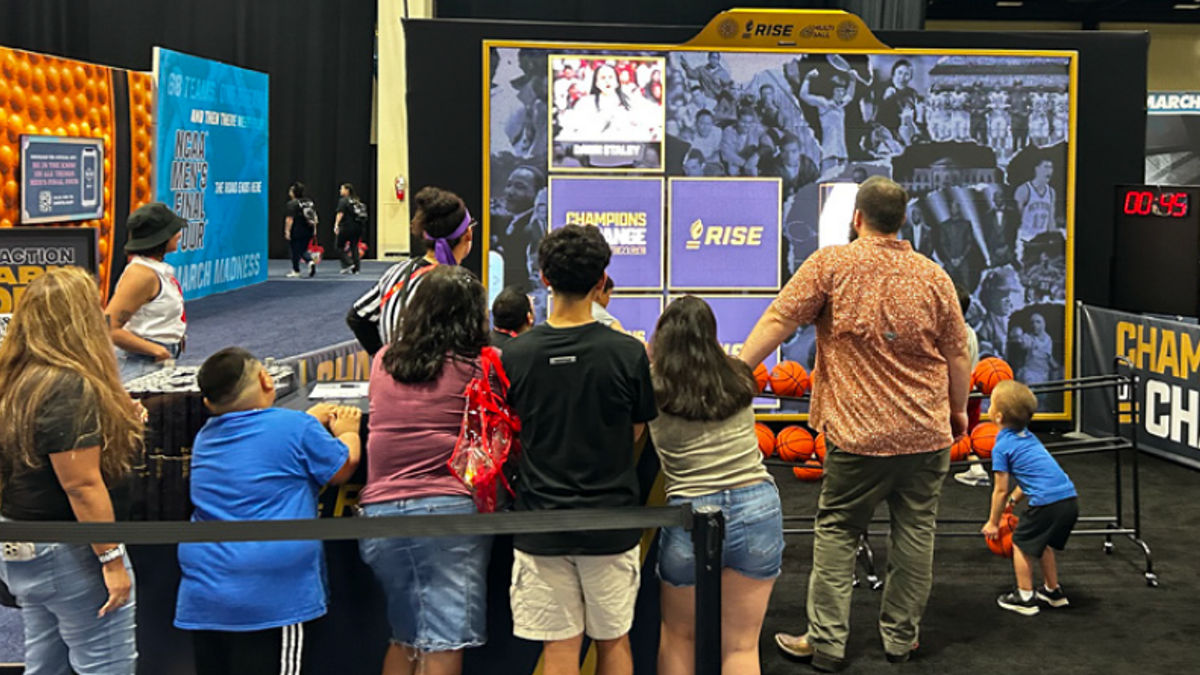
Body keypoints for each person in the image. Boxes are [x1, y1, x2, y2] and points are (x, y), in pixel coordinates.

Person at [740, 176, 971, 670]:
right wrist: (957, 411)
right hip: (925, 436)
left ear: (857, 218)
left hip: (857, 439)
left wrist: (739, 369)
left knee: (838, 531)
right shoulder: (934, 276)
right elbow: (957, 354)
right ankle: (900, 640)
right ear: (903, 219)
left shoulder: (830, 264)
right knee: (915, 533)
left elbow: (780, 320)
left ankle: (826, 644)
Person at [501, 225, 657, 675]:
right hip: (611, 521)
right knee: (614, 642)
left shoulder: (515, 355)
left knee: (560, 651)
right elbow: (636, 429)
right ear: (601, 280)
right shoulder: (627, 354)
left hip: (541, 523)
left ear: (544, 277)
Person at [175, 347, 361, 675]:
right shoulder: (294, 428)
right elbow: (343, 467)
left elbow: (262, 439)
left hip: (206, 596)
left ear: (208, 403)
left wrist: (303, 422)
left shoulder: (206, 436)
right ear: (266, 379)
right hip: (272, 598)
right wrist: (348, 432)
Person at [0, 266, 142, 674]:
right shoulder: (68, 385)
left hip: (23, 543)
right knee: (107, 664)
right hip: (68, 549)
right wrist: (112, 560)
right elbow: (81, 484)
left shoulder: (16, 379)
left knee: (46, 663)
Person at [358, 266, 498, 675]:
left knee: (405, 637)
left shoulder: (384, 360)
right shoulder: (481, 365)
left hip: (379, 517)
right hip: (448, 516)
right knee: (445, 642)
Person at [649, 296, 783, 675]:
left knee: (678, 637)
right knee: (741, 646)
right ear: (711, 335)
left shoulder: (651, 385)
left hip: (691, 512)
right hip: (757, 504)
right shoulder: (738, 376)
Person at [981, 380, 1077, 616]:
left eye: (991, 404)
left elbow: (1000, 489)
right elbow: (1030, 480)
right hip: (1069, 499)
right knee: (1042, 543)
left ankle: (1025, 597)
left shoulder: (1002, 446)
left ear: (999, 416)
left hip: (1047, 504)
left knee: (1020, 545)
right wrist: (1013, 503)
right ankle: (1053, 591)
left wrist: (993, 522)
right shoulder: (1029, 438)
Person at [347, 186, 475, 355]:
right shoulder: (463, 284)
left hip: (395, 375)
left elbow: (357, 317)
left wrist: (381, 357)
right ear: (468, 234)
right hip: (438, 377)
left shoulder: (397, 272)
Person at [106, 202, 187, 381]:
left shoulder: (153, 269)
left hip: (150, 360)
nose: (179, 234)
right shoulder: (141, 275)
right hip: (139, 364)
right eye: (174, 230)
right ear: (160, 238)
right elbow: (110, 328)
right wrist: (156, 350)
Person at [1015, 159, 1056, 244]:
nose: (1049, 170)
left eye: (1051, 167)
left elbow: (1051, 219)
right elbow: (1015, 218)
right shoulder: (1024, 189)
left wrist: (1053, 238)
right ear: (1037, 169)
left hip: (1042, 240)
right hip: (1026, 239)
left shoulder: (1051, 192)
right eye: (1046, 167)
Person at [284, 182, 319, 278]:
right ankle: (310, 262)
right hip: (309, 229)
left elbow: (289, 219)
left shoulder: (292, 204)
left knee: (295, 251)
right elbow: (314, 216)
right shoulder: (309, 202)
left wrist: (287, 231)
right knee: (303, 249)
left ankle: (296, 270)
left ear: (294, 192)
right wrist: (315, 228)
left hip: (297, 230)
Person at [334, 182, 368, 275]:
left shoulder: (343, 201)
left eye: (342, 189)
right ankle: (356, 268)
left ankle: (349, 263)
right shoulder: (356, 200)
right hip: (358, 227)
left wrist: (336, 224)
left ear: (347, 190)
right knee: (354, 247)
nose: (340, 190)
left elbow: (340, 213)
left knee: (338, 247)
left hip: (346, 226)